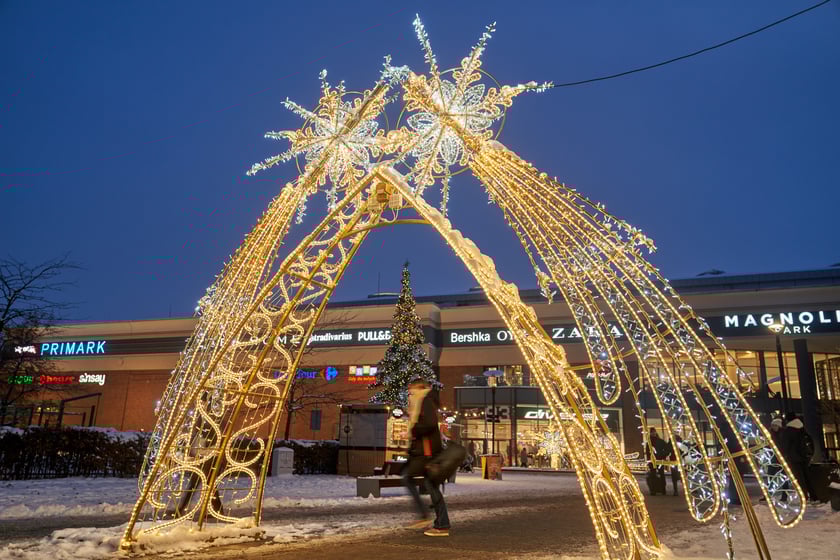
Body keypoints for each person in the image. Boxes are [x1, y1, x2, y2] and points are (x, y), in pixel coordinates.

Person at [403, 377, 451, 537]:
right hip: (423, 451)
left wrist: (414, 429)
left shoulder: (424, 400)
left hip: (427, 452)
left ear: (420, 387)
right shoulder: (421, 401)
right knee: (430, 485)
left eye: (412, 387)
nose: (410, 390)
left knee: (409, 478)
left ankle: (430, 518)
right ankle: (441, 523)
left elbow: (429, 424)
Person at [780, 412, 816, 502]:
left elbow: (785, 445)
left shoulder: (788, 430)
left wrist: (785, 455)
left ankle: (803, 497)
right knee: (807, 477)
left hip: (794, 458)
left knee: (799, 479)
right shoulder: (801, 428)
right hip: (804, 457)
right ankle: (814, 496)